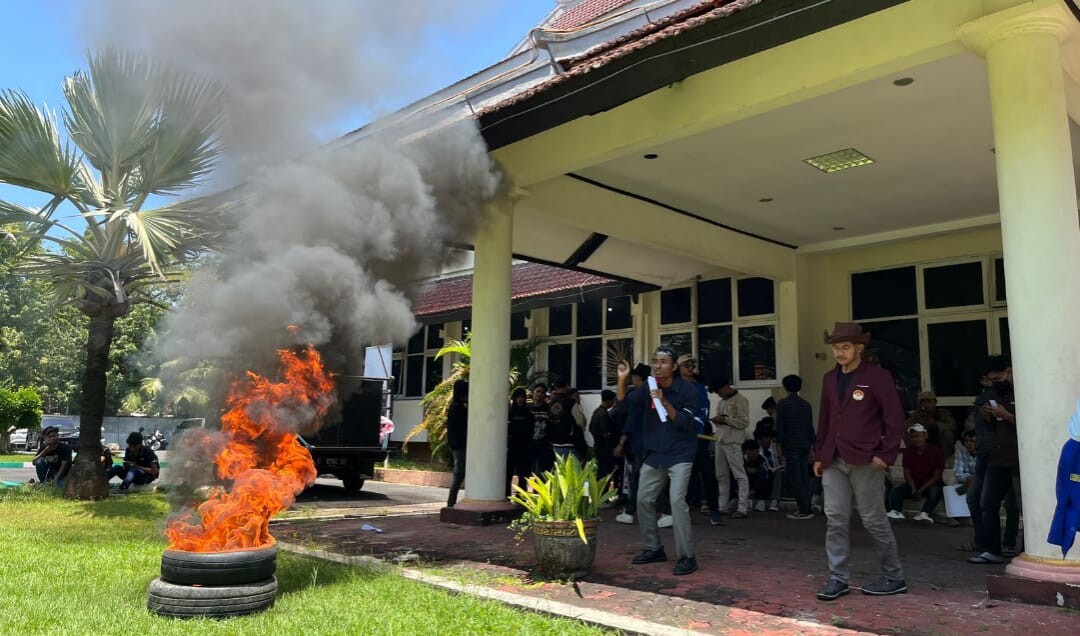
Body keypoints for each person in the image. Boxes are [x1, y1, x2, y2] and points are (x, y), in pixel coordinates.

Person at [813, 322, 907, 601]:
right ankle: (837, 578)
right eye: (835, 348)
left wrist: (886, 454)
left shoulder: (878, 377)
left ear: (859, 348)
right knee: (835, 519)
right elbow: (825, 418)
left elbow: (894, 418)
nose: (839, 352)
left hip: (867, 458)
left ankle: (894, 576)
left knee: (873, 519)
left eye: (845, 347)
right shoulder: (829, 379)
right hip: (833, 458)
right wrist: (819, 454)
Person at [620, 345, 701, 576]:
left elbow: (687, 423)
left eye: (663, 361)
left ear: (674, 366)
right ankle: (653, 548)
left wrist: (664, 401)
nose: (657, 365)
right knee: (643, 500)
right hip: (655, 453)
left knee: (676, 502)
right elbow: (625, 403)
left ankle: (687, 557)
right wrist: (622, 379)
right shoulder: (648, 386)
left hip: (680, 453)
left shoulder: (688, 390)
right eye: (655, 361)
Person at [964, 357, 1019, 555]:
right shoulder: (992, 394)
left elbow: (1031, 424)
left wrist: (1006, 415)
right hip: (992, 454)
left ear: (1010, 371)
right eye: (990, 380)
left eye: (998, 378)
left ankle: (1014, 545)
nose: (995, 383)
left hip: (1017, 457)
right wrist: (988, 416)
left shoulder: (1023, 392)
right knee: (985, 502)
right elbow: (988, 425)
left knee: (1016, 503)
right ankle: (989, 548)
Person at [677, 354, 722, 526]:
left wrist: (695, 427)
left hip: (698, 436)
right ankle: (681, 512)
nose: (690, 368)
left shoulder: (699, 388)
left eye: (692, 365)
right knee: (683, 476)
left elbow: (703, 411)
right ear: (678, 368)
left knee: (707, 474)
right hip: (680, 438)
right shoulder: (674, 387)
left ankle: (714, 510)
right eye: (686, 365)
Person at [613, 363, 651, 525]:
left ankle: (631, 511)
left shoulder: (638, 396)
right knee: (642, 478)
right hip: (649, 444)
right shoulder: (651, 394)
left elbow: (628, 419)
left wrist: (621, 443)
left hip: (640, 445)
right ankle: (631, 510)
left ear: (637, 378)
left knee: (640, 479)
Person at [775, 374, 816, 520]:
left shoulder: (783, 404)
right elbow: (810, 427)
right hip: (805, 443)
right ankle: (807, 506)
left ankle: (803, 508)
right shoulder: (806, 404)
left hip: (790, 444)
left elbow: (780, 427)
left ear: (785, 387)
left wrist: (779, 446)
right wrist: (813, 446)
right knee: (804, 476)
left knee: (795, 477)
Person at [887, 423, 945, 525]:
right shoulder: (908, 451)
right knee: (896, 490)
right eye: (913, 437)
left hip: (930, 484)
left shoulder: (937, 452)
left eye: (918, 436)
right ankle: (896, 511)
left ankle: (925, 513)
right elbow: (907, 471)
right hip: (915, 482)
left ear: (925, 436)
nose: (916, 439)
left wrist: (921, 490)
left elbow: (937, 476)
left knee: (935, 490)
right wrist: (913, 488)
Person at [709, 377, 750, 519]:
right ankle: (722, 506)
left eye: (719, 391)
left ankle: (742, 507)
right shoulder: (721, 402)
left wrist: (725, 420)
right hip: (720, 440)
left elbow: (744, 422)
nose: (719, 394)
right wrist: (719, 420)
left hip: (733, 441)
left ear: (726, 386)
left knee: (739, 474)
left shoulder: (741, 400)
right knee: (721, 475)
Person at [906, 390, 957, 457]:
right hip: (922, 439)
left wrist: (936, 426)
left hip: (939, 439)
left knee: (948, 434)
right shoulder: (917, 414)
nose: (926, 404)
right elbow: (907, 426)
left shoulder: (943, 413)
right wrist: (919, 426)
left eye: (929, 401)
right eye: (923, 402)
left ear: (935, 402)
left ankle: (944, 460)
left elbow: (952, 425)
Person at [507, 387, 535, 496]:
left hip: (525, 447)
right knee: (508, 474)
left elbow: (530, 430)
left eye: (522, 397)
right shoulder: (510, 413)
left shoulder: (528, 414)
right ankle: (507, 495)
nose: (520, 400)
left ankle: (521, 496)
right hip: (511, 447)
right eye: (518, 397)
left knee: (523, 474)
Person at [445, 379, 468, 507]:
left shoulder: (455, 407)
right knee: (459, 473)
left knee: (459, 473)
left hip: (457, 444)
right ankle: (451, 501)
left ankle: (451, 501)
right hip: (460, 445)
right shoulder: (458, 408)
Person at [589, 390, 618, 484]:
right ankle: (602, 494)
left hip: (598, 446)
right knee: (604, 473)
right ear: (609, 401)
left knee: (601, 471)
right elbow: (606, 432)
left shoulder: (597, 412)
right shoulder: (603, 414)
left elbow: (591, 428)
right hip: (604, 448)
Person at [530, 383, 552, 475]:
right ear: (533, 393)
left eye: (542, 392)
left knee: (542, 471)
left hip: (544, 444)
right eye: (537, 391)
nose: (539, 394)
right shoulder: (528, 408)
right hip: (530, 443)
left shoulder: (548, 409)